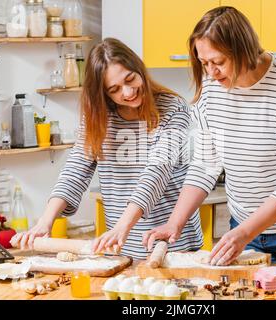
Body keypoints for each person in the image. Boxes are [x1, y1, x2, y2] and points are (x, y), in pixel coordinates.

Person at [143, 6, 276, 265]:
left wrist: (246, 230)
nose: (211, 73)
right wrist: (174, 222)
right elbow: (206, 164)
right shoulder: (211, 88)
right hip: (244, 227)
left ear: (244, 49)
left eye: (218, 62)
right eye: (204, 63)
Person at [11, 38, 203, 259]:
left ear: (139, 68)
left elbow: (157, 172)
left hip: (172, 244)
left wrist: (123, 225)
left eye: (130, 79)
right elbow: (76, 169)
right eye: (115, 89)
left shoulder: (173, 109)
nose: (129, 92)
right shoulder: (99, 118)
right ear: (104, 94)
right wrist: (45, 221)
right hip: (121, 245)